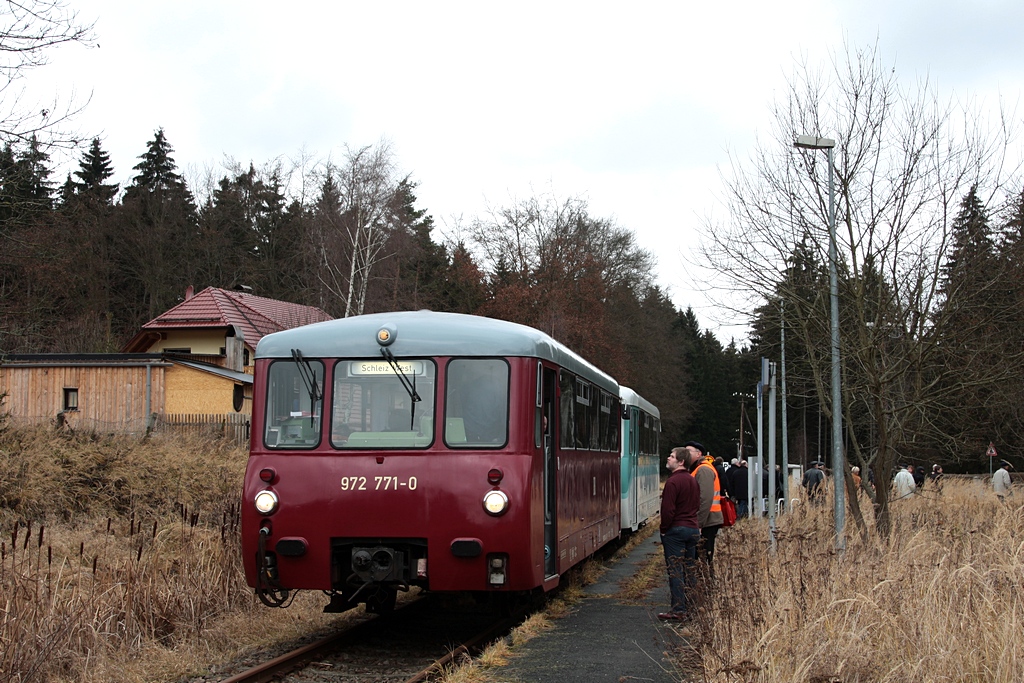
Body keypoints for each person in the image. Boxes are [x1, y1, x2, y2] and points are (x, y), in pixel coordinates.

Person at [659, 447, 700, 621]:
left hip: (676, 530)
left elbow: (668, 510)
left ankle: (678, 610)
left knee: (675, 571)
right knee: (689, 570)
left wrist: (664, 529)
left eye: (672, 456)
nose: (668, 458)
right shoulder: (692, 480)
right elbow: (697, 504)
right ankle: (692, 607)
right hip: (692, 529)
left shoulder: (673, 482)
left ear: (681, 461)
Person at [685, 441, 724, 576]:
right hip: (707, 520)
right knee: (703, 557)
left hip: (707, 521)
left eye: (689, 451)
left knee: (704, 557)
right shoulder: (698, 469)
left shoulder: (703, 470)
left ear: (699, 453)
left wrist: (698, 523)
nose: (686, 454)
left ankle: (705, 587)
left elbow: (705, 499)